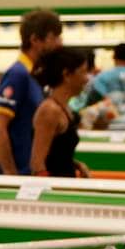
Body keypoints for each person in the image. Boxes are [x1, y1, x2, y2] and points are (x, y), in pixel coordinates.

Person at [0, 8, 65, 176]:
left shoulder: (35, 75)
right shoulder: (18, 74)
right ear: (35, 40)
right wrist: (10, 173)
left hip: (28, 173)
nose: (59, 43)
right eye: (54, 38)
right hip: (16, 177)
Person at [29, 46, 93, 179]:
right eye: (83, 72)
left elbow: (56, 156)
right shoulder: (50, 111)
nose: (87, 79)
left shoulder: (65, 109)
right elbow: (37, 163)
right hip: (55, 191)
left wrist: (76, 165)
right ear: (67, 75)